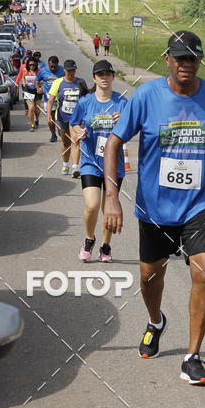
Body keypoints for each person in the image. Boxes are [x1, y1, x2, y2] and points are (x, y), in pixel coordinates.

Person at [103, 30, 205, 386]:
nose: (186, 64)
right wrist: (112, 196)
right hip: (154, 207)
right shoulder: (146, 96)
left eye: (193, 59)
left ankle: (192, 356)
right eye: (180, 58)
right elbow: (113, 144)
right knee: (149, 276)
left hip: (198, 203)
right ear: (167, 60)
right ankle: (156, 321)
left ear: (199, 62)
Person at [69, 60, 127, 262]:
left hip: (114, 165)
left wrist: (123, 122)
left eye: (107, 74)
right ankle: (88, 238)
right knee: (92, 205)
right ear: (94, 78)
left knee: (107, 208)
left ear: (113, 77)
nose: (104, 77)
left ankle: (105, 246)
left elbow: (131, 130)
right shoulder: (85, 102)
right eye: (100, 74)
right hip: (90, 162)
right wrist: (78, 132)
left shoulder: (122, 102)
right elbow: (73, 124)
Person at [47, 60, 88, 175]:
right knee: (66, 143)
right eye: (69, 70)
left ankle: (75, 167)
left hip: (77, 119)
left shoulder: (81, 82)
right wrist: (49, 115)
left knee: (75, 140)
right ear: (64, 70)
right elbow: (51, 100)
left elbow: (87, 98)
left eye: (73, 70)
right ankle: (65, 164)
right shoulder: (58, 82)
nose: (71, 73)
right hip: (62, 117)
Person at [35, 55, 65, 142]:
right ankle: (53, 134)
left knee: (60, 118)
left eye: (55, 67)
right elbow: (37, 81)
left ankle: (60, 130)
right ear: (48, 64)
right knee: (50, 120)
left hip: (60, 99)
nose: (53, 68)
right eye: (51, 66)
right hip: (48, 99)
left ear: (58, 64)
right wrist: (38, 88)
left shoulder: (62, 70)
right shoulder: (43, 71)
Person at [20, 57, 41, 130]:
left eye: (33, 65)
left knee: (37, 109)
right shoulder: (25, 70)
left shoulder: (38, 71)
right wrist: (24, 83)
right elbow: (22, 78)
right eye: (30, 65)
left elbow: (42, 80)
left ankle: (37, 119)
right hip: (28, 90)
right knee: (31, 108)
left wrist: (38, 84)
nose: (31, 66)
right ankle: (32, 124)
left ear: (36, 65)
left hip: (37, 91)